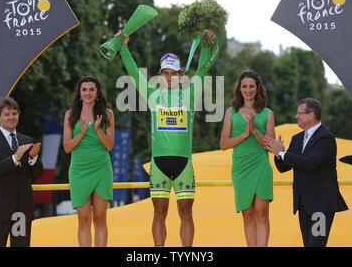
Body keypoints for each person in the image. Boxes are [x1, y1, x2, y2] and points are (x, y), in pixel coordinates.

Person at [115, 29, 219, 247]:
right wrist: (123, 47)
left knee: (186, 213)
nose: (169, 77)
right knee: (159, 213)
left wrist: (208, 44)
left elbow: (203, 69)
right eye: (165, 73)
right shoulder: (153, 94)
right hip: (159, 163)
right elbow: (134, 73)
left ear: (181, 74)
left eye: (173, 73)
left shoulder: (190, 94)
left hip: (184, 163)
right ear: (161, 75)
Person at [264, 98, 348, 247]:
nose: (296, 116)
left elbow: (310, 163)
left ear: (311, 115)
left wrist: (282, 154)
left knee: (316, 245)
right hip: (303, 204)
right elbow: (284, 167)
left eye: (299, 113)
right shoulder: (297, 139)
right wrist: (279, 154)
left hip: (321, 206)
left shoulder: (325, 138)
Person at [220, 70, 275, 247]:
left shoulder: (268, 113)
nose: (248, 90)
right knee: (248, 214)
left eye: (252, 86)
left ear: (258, 88)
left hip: (261, 165)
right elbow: (223, 144)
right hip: (241, 167)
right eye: (244, 86)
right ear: (239, 88)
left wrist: (254, 131)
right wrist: (244, 134)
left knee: (261, 212)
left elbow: (271, 146)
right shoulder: (231, 112)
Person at [0, 97, 43, 247]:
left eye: (14, 113)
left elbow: (37, 174)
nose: (11, 117)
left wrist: (33, 158)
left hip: (21, 212)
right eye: (7, 114)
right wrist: (15, 158)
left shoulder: (26, 139)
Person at [63, 76, 115, 247]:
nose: (87, 93)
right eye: (84, 89)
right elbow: (67, 147)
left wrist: (98, 130)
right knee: (84, 219)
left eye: (91, 89)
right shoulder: (70, 115)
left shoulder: (108, 114)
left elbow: (109, 146)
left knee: (100, 218)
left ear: (97, 93)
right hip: (79, 170)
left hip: (102, 168)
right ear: (79, 93)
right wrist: (82, 133)